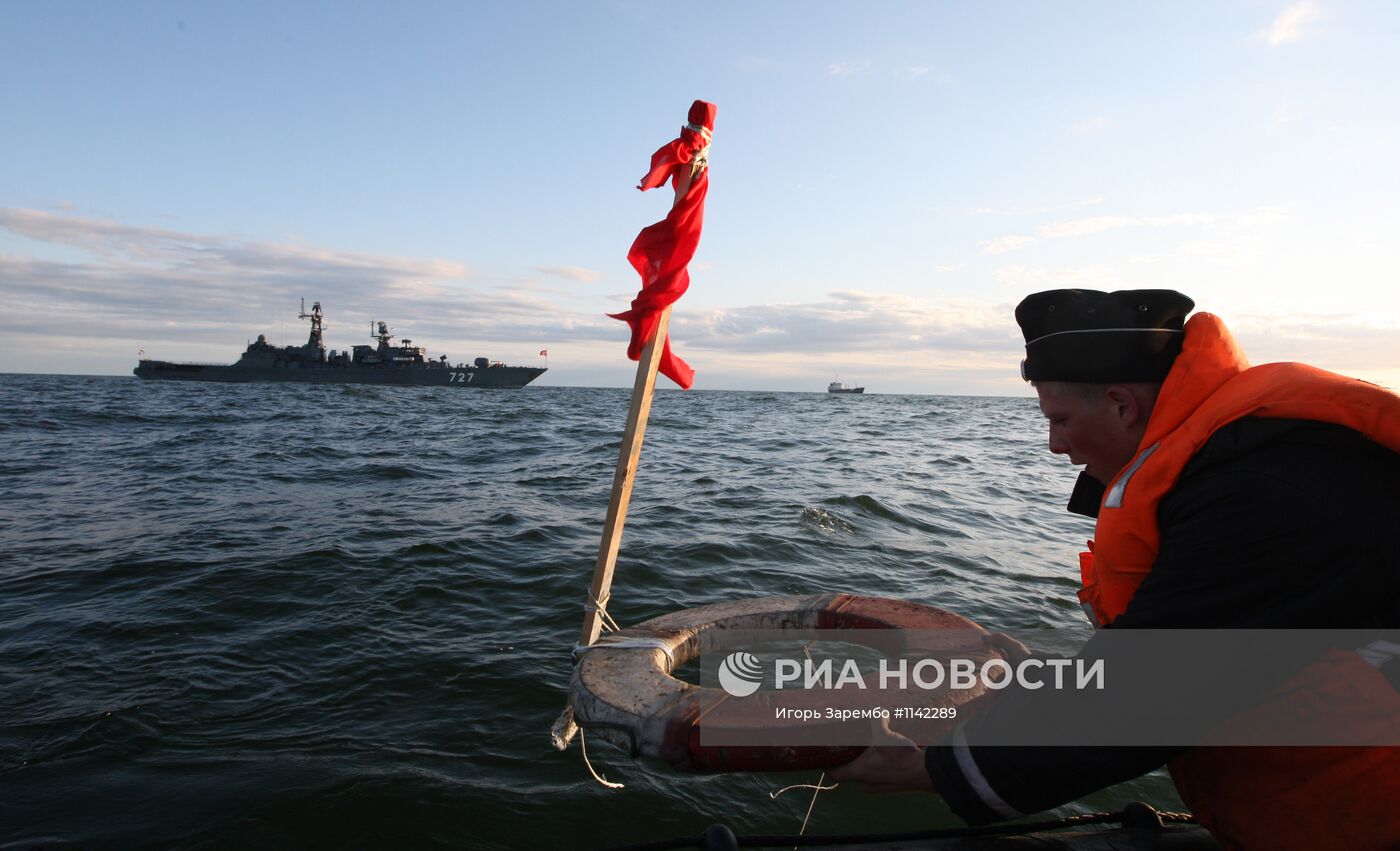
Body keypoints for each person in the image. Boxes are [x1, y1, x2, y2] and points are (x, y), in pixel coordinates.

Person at [830, 289, 1400, 850]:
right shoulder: (1236, 461)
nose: (1054, 445)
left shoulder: (1267, 487)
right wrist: (1041, 677)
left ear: (1122, 404)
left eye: (1059, 419)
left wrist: (937, 769)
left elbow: (1157, 689)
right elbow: (1205, 653)